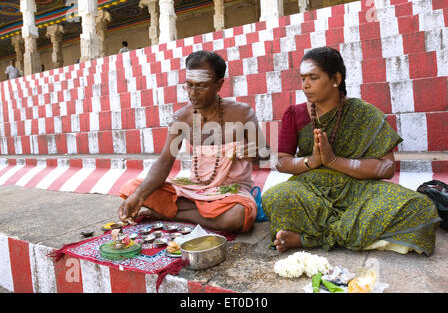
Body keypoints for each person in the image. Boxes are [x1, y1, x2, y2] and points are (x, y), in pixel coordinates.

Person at [262, 46, 440, 255]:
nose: (305, 85)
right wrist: (312, 161)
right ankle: (353, 233)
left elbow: (387, 167)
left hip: (359, 190)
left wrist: (336, 162)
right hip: (311, 190)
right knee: (276, 196)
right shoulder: (295, 113)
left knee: (421, 208)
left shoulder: (363, 112)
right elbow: (282, 162)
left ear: (336, 78)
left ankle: (310, 238)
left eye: (313, 77)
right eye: (302, 78)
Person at [118, 50, 269, 233]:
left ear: (219, 84)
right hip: (194, 190)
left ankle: (173, 214)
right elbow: (165, 161)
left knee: (238, 216)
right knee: (132, 188)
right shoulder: (181, 118)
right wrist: (140, 195)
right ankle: (201, 214)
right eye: (189, 85)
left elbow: (264, 155)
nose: (193, 93)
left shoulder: (242, 113)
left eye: (201, 86)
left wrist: (251, 152)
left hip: (231, 194)